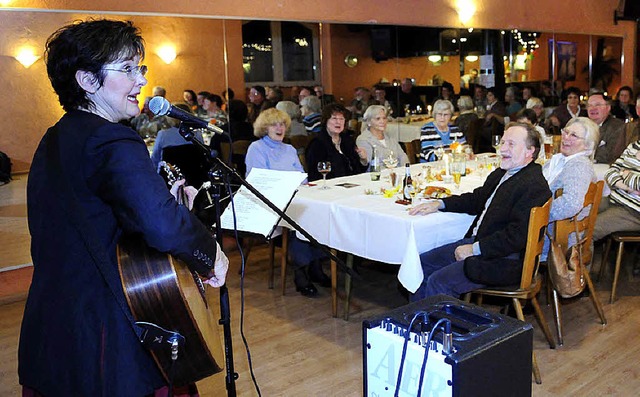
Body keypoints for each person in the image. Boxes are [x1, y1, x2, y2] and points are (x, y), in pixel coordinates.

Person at [19, 19, 228, 396]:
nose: (141, 81)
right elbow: (161, 226)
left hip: (55, 332)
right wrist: (210, 252)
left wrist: (167, 202)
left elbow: (93, 222)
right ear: (87, 80)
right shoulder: (113, 138)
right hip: (110, 338)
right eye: (127, 69)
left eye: (140, 67)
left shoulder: (54, 139)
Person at [408, 122, 551, 299]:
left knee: (439, 281)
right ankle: (417, 321)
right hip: (484, 244)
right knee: (419, 265)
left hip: (505, 261)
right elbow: (477, 199)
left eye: (511, 144)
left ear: (530, 151)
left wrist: (474, 249)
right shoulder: (503, 173)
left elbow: (516, 237)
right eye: (503, 142)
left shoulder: (533, 185)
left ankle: (440, 325)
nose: (502, 149)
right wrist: (440, 204)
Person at [245, 108, 329, 296]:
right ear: (265, 128)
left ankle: (315, 266)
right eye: (274, 124)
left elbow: (302, 178)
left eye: (282, 124)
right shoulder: (256, 149)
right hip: (267, 203)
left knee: (319, 212)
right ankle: (301, 273)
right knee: (298, 220)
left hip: (293, 198)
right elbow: (258, 183)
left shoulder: (289, 149)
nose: (279, 128)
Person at [540, 117, 599, 260]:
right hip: (546, 231)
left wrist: (536, 216)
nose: (566, 138)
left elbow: (570, 204)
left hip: (553, 239)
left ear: (587, 146)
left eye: (574, 135)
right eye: (566, 132)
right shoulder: (558, 160)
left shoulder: (579, 165)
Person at [592, 138, 640, 246]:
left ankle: (576, 262)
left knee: (588, 230)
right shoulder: (634, 146)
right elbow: (611, 171)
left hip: (634, 212)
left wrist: (626, 174)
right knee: (579, 214)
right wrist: (628, 188)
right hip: (614, 199)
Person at [305, 103, 368, 181]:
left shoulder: (348, 140)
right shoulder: (317, 144)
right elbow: (314, 176)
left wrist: (363, 160)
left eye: (341, 119)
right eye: (334, 118)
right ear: (326, 121)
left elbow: (359, 171)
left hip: (352, 184)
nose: (338, 122)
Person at [150, 103, 204, 169]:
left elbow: (155, 160)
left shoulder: (163, 135)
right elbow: (202, 157)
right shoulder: (197, 134)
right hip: (196, 175)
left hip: (170, 176)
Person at [587, 92, 627, 164]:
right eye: (589, 105)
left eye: (597, 105)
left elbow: (610, 155)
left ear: (608, 108)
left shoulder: (617, 127)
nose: (592, 108)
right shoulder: (582, 125)